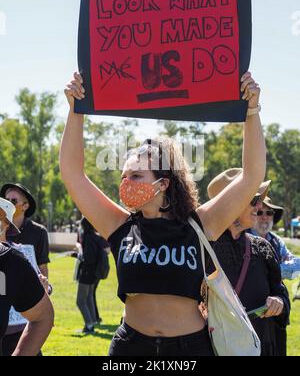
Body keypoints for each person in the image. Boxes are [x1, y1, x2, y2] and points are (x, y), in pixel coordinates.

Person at [60, 70, 266, 356]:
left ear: (164, 183)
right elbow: (73, 174)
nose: (125, 183)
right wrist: (75, 109)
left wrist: (252, 110)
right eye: (123, 176)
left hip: (189, 348)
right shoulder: (119, 225)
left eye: (136, 175)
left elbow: (251, 175)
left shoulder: (200, 224)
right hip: (130, 347)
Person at [204, 170, 290, 356]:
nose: (259, 207)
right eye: (254, 200)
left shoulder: (262, 248)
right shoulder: (202, 250)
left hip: (261, 348)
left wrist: (279, 302)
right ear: (229, 204)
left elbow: (280, 293)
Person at [0, 198, 54, 356]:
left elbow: (38, 283)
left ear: (6, 224)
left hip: (18, 329)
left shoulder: (14, 257)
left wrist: (43, 289)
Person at [251, 197, 300, 356]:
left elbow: (296, 267)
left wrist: (268, 270)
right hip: (252, 314)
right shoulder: (242, 239)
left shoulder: (277, 242)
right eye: (260, 212)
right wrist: (281, 270)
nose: (264, 216)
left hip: (277, 313)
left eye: (269, 212)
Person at [0, 183, 50, 278]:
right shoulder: (0, 228)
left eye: (14, 201)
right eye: (6, 200)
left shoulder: (39, 232)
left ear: (25, 206)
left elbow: (42, 267)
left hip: (27, 288)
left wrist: (45, 290)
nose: (9, 204)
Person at [75, 217, 109, 334]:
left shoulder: (88, 238)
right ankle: (92, 323)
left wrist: (78, 255)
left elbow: (88, 258)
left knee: (80, 301)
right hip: (94, 274)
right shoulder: (97, 237)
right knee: (89, 298)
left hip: (87, 274)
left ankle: (89, 325)